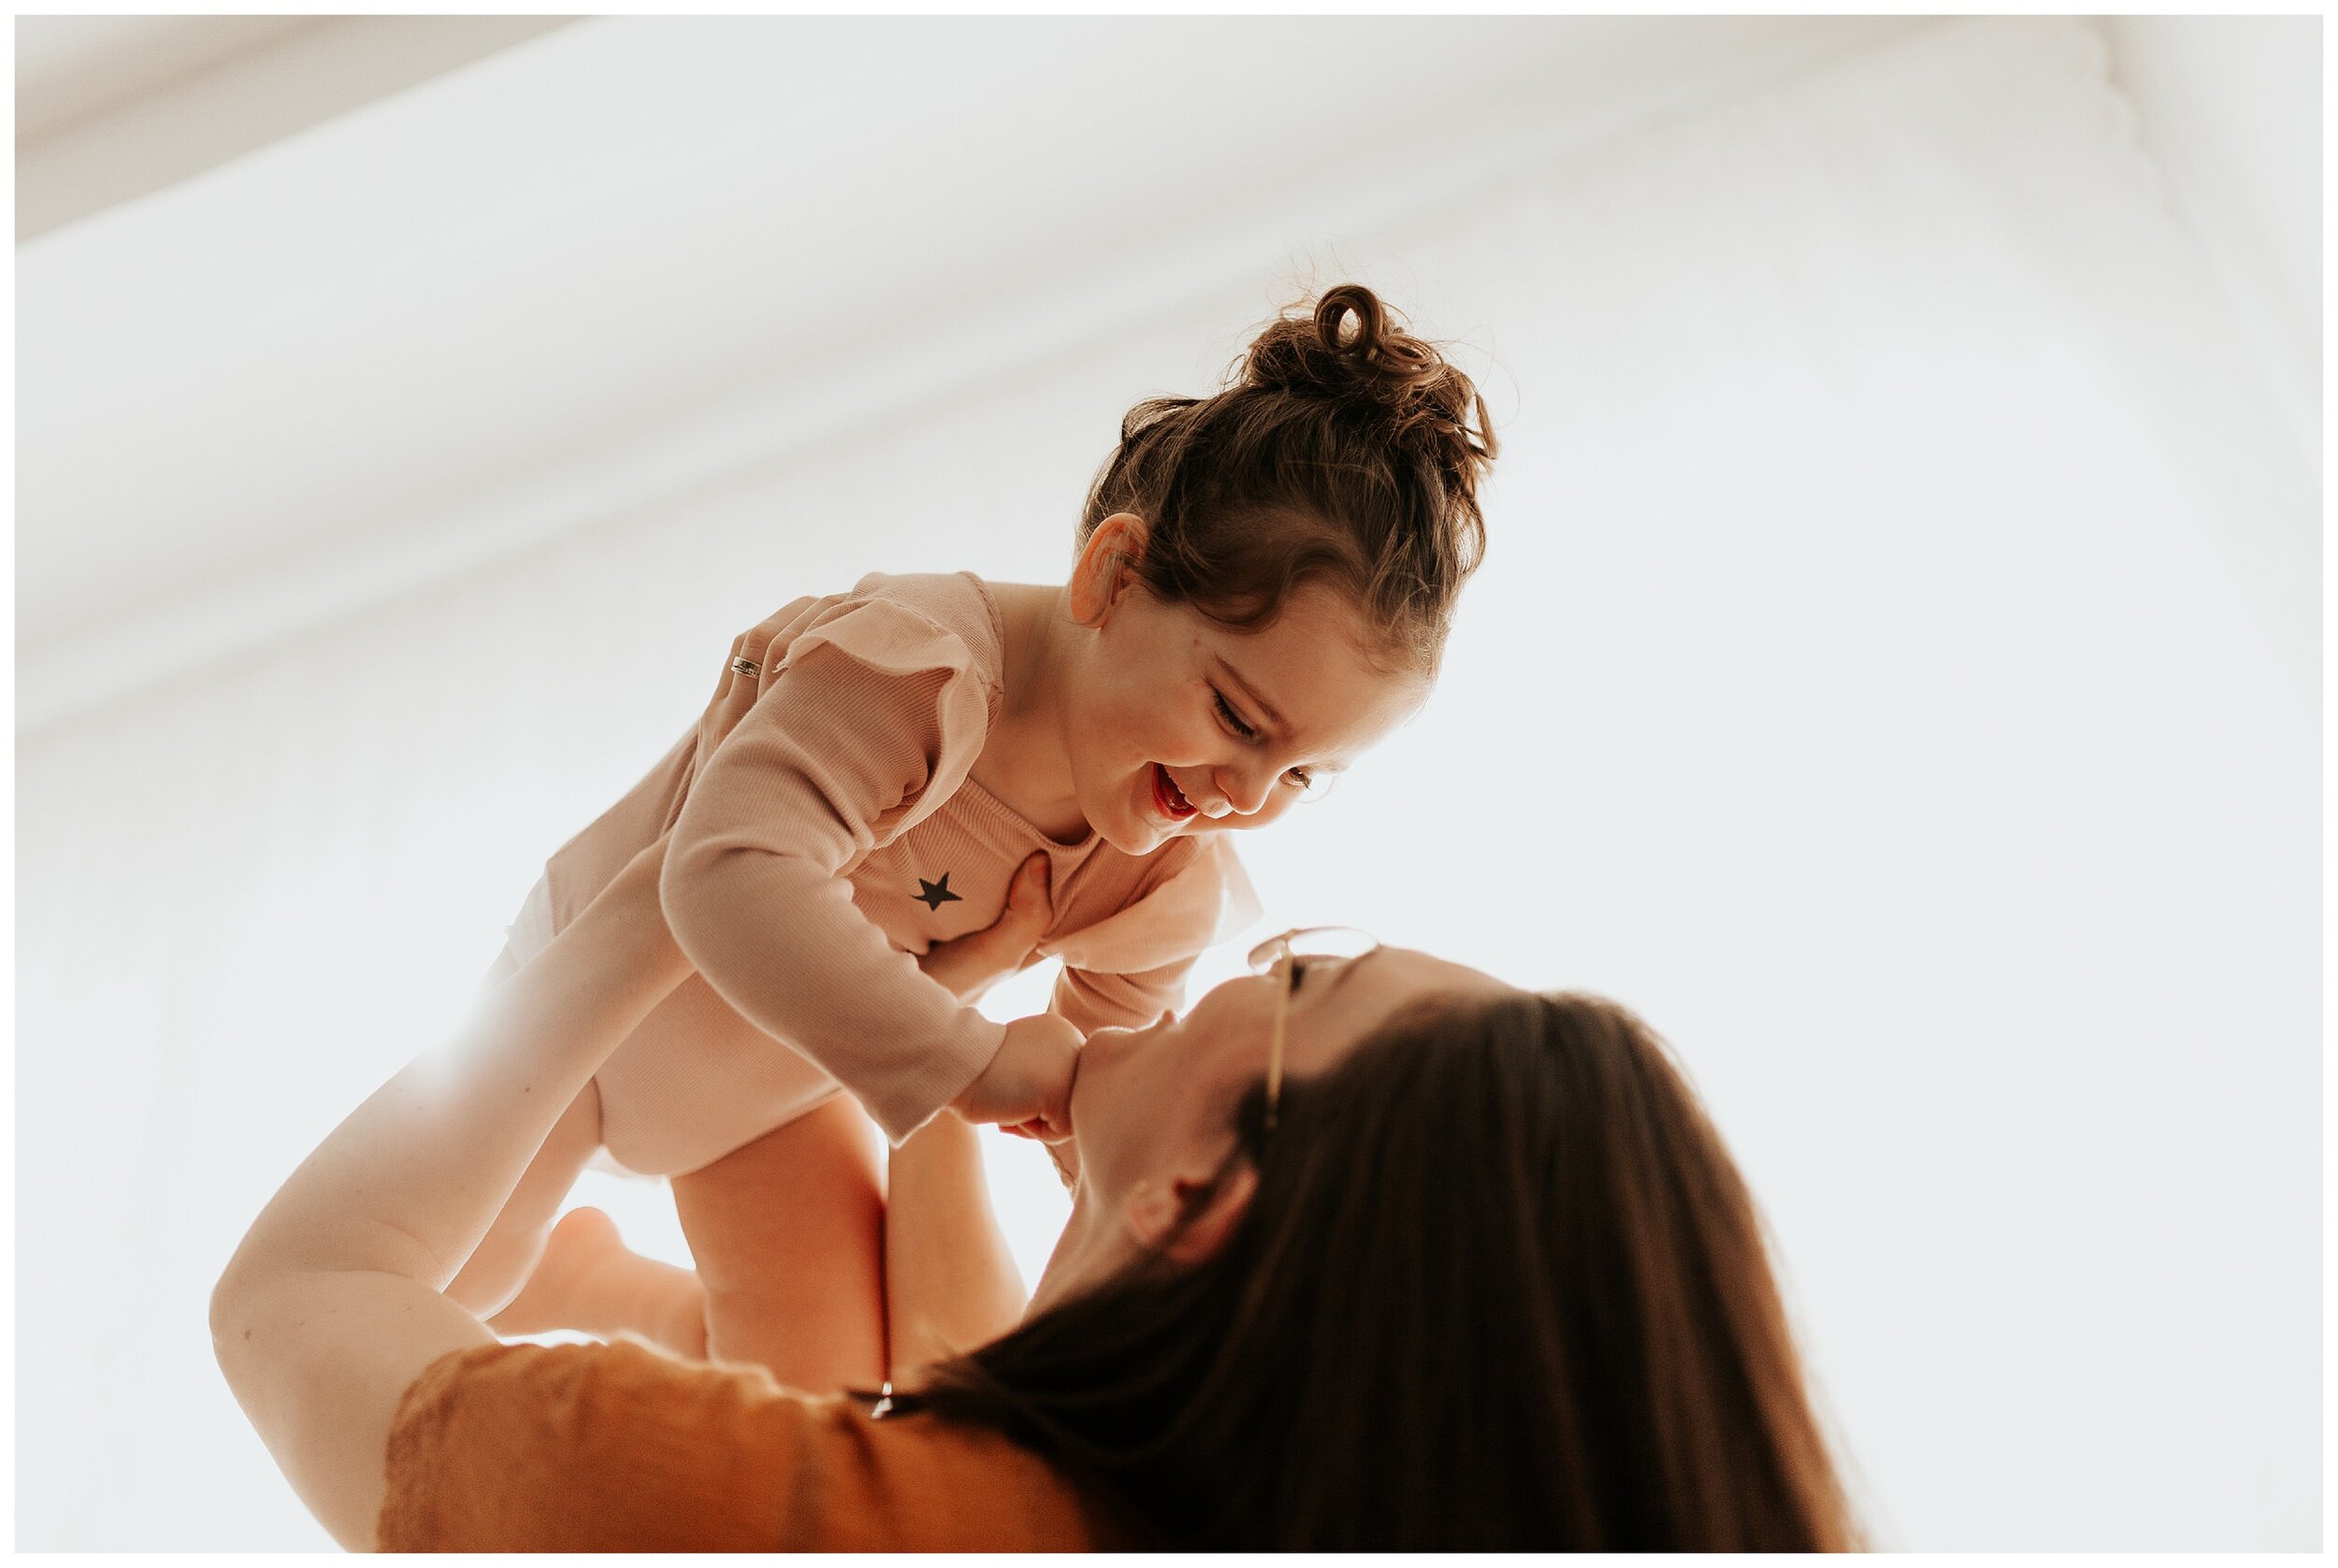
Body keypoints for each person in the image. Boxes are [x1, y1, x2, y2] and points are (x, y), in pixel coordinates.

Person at [212, 837, 1861, 1551]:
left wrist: (678, 892)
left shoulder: (817, 1519)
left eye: (1312, 969)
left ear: (1209, 1179)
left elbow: (295, 1304)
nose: (1230, 962)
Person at [448, 282, 1500, 1392]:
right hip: (578, 1017)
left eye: (1298, 772)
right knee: (463, 1268)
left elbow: (1096, 1102)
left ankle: (605, 1288)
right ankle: (540, 1273)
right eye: (1238, 718)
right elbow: (724, 874)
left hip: (767, 1092)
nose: (1245, 792)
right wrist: (974, 1057)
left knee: (825, 1397)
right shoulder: (914, 672)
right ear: (1114, 577)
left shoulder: (1162, 877)